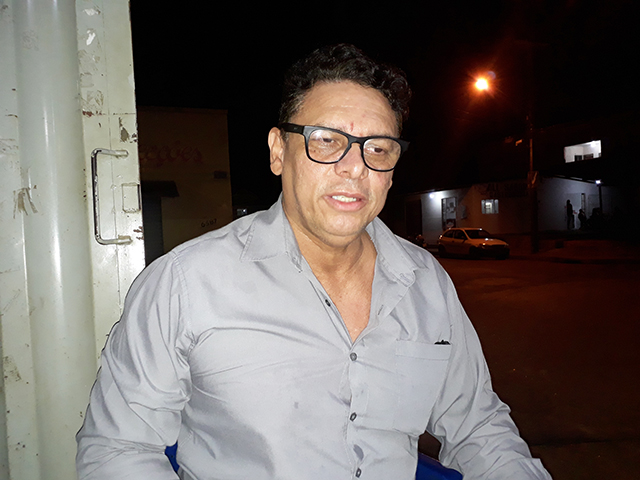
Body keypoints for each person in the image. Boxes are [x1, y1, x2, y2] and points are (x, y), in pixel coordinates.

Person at [76, 44, 552, 480]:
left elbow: (478, 426)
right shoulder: (185, 283)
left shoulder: (426, 282)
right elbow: (117, 449)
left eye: (378, 148)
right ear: (278, 152)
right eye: (326, 140)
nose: (355, 167)